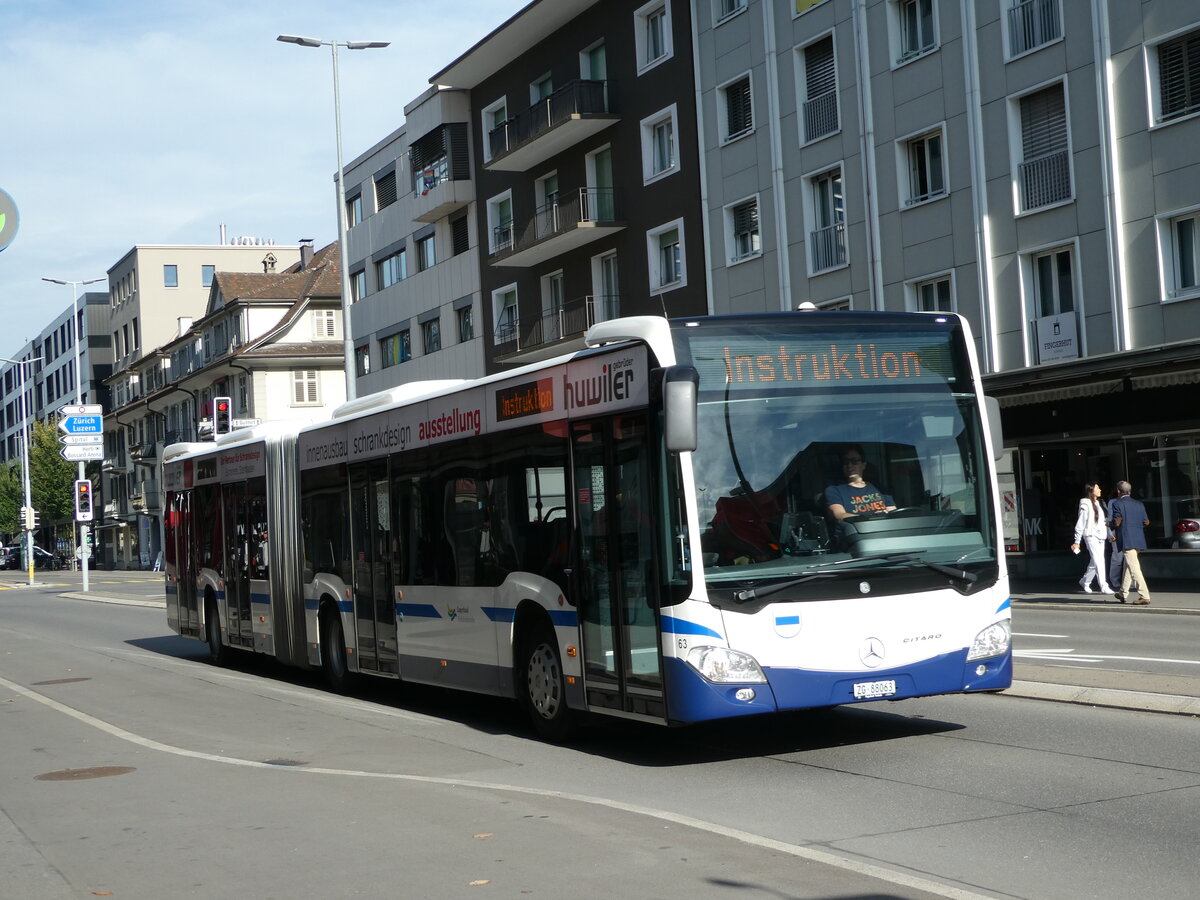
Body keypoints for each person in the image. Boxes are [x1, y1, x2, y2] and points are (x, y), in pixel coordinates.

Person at [825, 444, 896, 523]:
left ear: (863, 465)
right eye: (845, 462)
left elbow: (893, 514)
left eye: (854, 461)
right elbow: (839, 515)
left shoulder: (879, 488)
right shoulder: (834, 490)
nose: (849, 465)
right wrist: (872, 518)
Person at [1109, 481, 1151, 605]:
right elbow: (1146, 522)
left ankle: (1145, 595)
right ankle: (1123, 592)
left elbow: (1117, 522)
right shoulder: (1139, 504)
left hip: (1127, 539)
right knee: (1128, 566)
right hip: (1138, 539)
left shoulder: (1117, 504)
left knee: (1134, 568)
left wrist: (1109, 524)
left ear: (1118, 491)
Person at [1070, 482, 1112, 594]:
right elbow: (1080, 523)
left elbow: (1104, 522)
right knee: (1099, 560)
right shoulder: (1085, 504)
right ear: (1091, 491)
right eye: (1097, 488)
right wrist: (1077, 541)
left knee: (1095, 560)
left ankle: (1085, 581)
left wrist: (1109, 534)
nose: (1100, 490)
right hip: (1090, 535)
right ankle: (1103, 585)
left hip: (1101, 535)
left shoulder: (1100, 503)